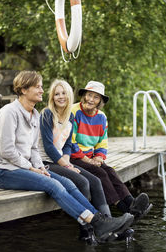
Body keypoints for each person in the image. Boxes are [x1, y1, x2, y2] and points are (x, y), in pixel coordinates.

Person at [0, 71, 134, 244]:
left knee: (70, 183)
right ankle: (97, 222)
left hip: (24, 167)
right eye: (38, 87)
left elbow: (34, 148)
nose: (42, 90)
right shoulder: (9, 113)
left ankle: (102, 224)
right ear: (24, 89)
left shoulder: (34, 115)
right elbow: (7, 151)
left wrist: (39, 167)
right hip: (3, 171)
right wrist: (31, 168)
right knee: (53, 184)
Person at [38, 79, 115, 242]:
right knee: (83, 182)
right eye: (57, 94)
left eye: (64, 93)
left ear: (70, 95)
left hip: (60, 161)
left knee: (95, 181)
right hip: (45, 162)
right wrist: (67, 165)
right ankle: (86, 230)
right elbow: (49, 147)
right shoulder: (47, 114)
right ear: (52, 97)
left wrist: (67, 161)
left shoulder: (69, 116)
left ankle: (109, 223)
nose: (60, 97)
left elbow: (67, 145)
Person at [70, 81, 152, 221]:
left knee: (111, 172)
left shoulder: (101, 117)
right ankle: (123, 209)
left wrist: (100, 157)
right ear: (84, 95)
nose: (91, 99)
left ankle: (132, 203)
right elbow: (70, 142)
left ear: (100, 102)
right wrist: (87, 160)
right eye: (89, 95)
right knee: (100, 173)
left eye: (96, 97)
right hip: (73, 156)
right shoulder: (74, 111)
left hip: (91, 156)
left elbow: (102, 141)